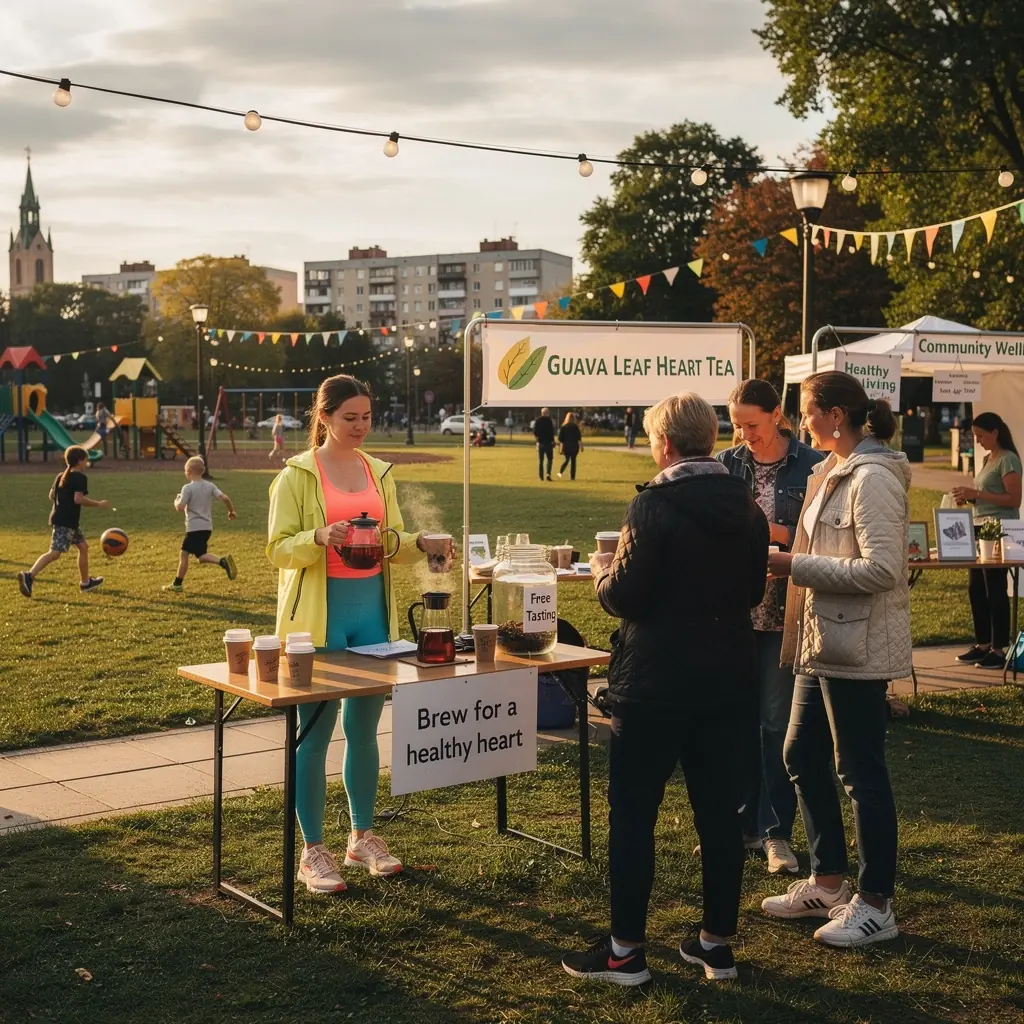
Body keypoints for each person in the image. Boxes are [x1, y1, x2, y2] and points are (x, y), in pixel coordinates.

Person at [561, 393, 768, 985]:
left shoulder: (653, 505)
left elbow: (625, 595)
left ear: (667, 444)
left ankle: (625, 952)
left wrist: (603, 572)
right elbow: (753, 591)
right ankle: (715, 945)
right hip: (727, 681)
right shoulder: (747, 505)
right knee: (719, 816)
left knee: (632, 815)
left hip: (655, 684)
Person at [267, 374, 453, 893]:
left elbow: (391, 540)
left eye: (367, 417)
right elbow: (278, 549)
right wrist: (319, 536)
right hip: (319, 623)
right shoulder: (295, 476)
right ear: (323, 417)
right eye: (350, 418)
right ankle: (313, 851)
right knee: (315, 735)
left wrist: (425, 539)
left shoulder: (378, 470)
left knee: (366, 732)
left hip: (373, 617)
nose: (361, 427)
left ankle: (362, 837)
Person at [764, 370, 909, 949]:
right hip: (819, 641)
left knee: (859, 771)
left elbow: (882, 570)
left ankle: (876, 902)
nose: (800, 422)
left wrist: (790, 566)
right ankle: (827, 881)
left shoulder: (871, 477)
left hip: (856, 645)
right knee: (799, 751)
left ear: (837, 415)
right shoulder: (832, 469)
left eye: (806, 410)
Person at [717, 379, 824, 874]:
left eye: (752, 424)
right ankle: (738, 826)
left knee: (775, 726)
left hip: (785, 615)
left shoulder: (811, 465)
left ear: (778, 415)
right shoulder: (727, 463)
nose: (744, 434)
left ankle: (775, 833)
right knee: (735, 724)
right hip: (735, 613)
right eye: (737, 424)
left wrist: (774, 533)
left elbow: (819, 538)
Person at [951, 412, 1022, 669]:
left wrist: (977, 493)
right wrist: (970, 498)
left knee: (995, 589)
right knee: (976, 588)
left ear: (995, 433)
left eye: (981, 436)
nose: (978, 441)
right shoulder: (986, 459)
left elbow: (1014, 500)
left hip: (1000, 530)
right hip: (979, 526)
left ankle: (998, 647)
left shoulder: (1008, 460)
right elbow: (988, 495)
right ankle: (982, 644)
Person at [17, 446, 110, 598]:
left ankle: (86, 583)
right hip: (65, 522)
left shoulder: (61, 476)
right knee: (54, 553)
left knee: (83, 547)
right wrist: (98, 504)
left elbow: (52, 495)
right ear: (80, 461)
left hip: (69, 521)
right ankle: (29, 575)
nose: (87, 463)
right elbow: (78, 499)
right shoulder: (80, 478)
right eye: (86, 460)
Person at [163, 456, 237, 592]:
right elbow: (225, 497)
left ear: (189, 471)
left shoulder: (187, 488)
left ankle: (178, 584)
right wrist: (231, 511)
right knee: (198, 556)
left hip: (194, 528)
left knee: (188, 555)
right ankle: (178, 583)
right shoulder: (210, 486)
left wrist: (176, 500)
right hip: (207, 527)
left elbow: (180, 507)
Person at [557, 411, 583, 480]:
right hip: (574, 446)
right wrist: (581, 446)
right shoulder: (575, 427)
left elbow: (560, 439)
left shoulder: (564, 427)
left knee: (566, 460)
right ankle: (572, 476)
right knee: (573, 461)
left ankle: (560, 472)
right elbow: (579, 438)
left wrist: (560, 448)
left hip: (566, 446)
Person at [533, 407, 555, 481]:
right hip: (548, 443)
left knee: (540, 461)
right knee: (550, 459)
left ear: (541, 413)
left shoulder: (538, 420)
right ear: (547, 413)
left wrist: (537, 439)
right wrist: (553, 441)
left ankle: (541, 476)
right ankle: (548, 474)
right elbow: (552, 432)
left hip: (540, 443)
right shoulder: (549, 420)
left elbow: (535, 431)